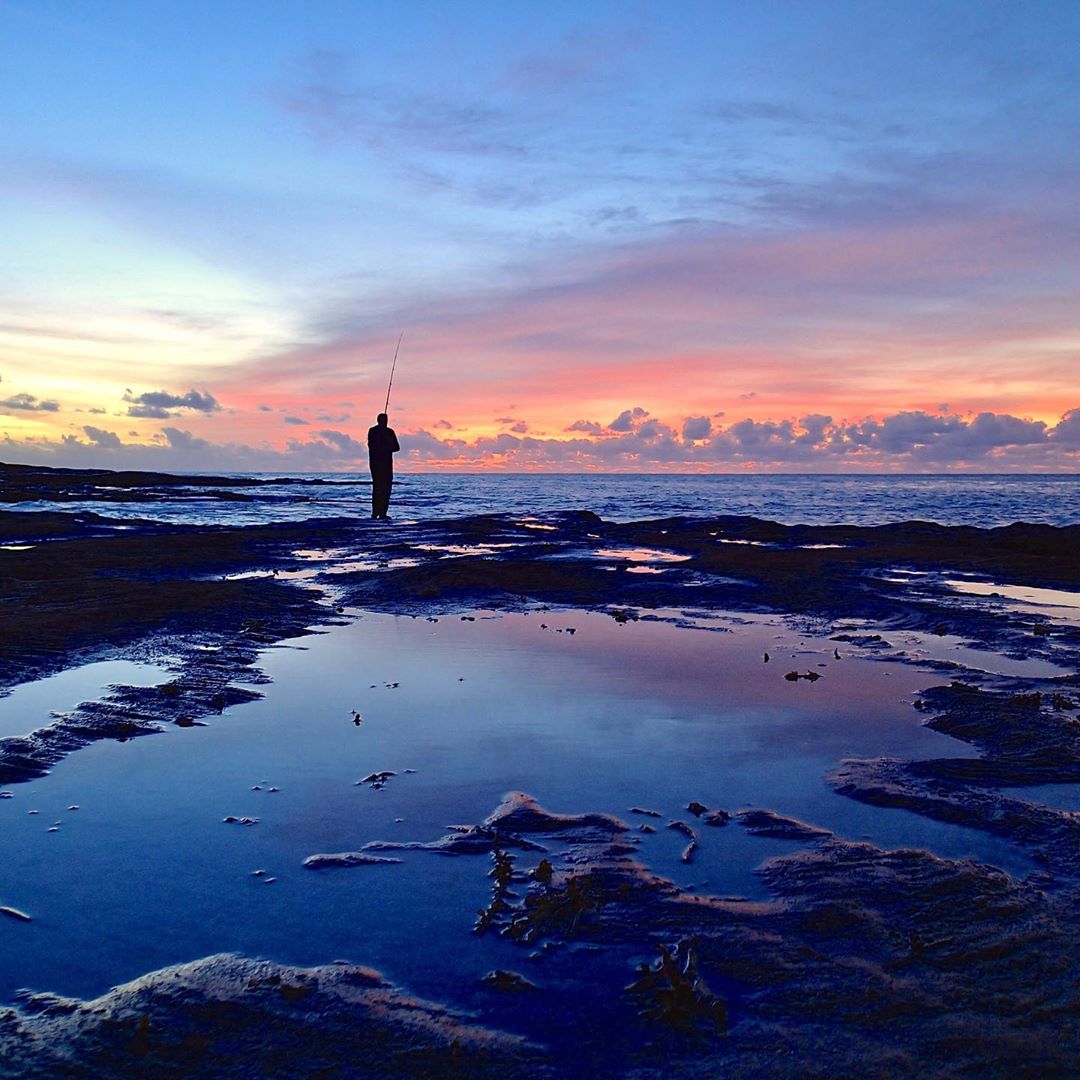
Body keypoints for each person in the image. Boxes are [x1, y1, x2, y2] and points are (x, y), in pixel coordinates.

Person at [367, 413, 400, 520]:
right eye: (382, 420)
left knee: (386, 489)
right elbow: (371, 445)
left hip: (387, 465)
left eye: (385, 420)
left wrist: (387, 441)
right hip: (376, 464)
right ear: (378, 420)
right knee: (377, 488)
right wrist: (383, 443)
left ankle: (383, 513)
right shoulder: (373, 431)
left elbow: (396, 447)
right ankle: (375, 512)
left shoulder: (390, 432)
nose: (384, 422)